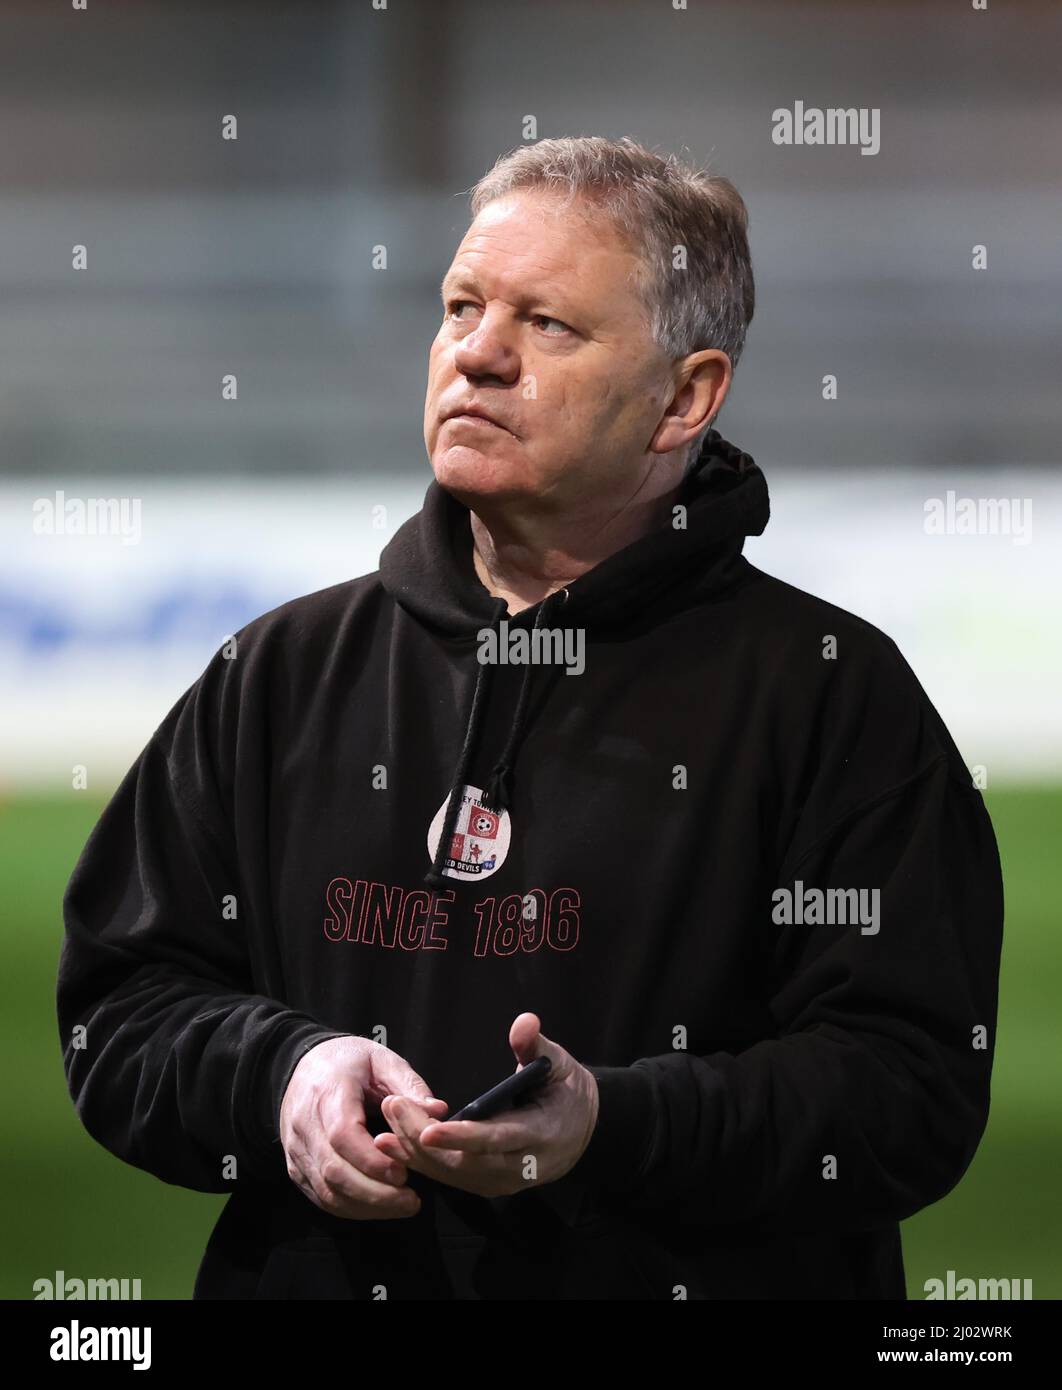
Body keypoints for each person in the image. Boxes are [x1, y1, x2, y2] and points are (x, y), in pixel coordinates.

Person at [57, 135, 1004, 1300]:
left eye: (548, 325)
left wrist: (611, 1123)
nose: (478, 352)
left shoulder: (832, 691)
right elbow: (121, 1006)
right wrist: (284, 1078)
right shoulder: (278, 672)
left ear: (685, 396)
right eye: (462, 305)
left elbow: (910, 1089)